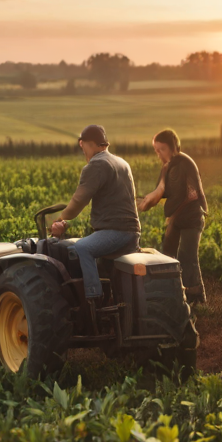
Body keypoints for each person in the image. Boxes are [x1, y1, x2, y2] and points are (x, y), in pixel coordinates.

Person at [51, 125, 141, 309]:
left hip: (116, 232)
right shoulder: (122, 163)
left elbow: (78, 201)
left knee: (82, 248)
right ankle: (114, 301)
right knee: (103, 263)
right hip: (132, 233)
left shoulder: (97, 164)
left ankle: (93, 300)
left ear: (84, 143)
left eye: (82, 147)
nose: (83, 151)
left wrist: (59, 221)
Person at [138, 128, 207, 304]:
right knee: (168, 254)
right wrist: (145, 201)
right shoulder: (167, 167)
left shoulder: (183, 163)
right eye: (156, 150)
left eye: (161, 149)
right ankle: (177, 293)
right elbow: (160, 189)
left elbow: (187, 194)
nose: (158, 154)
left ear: (173, 147)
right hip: (177, 218)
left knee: (187, 256)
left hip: (191, 217)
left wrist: (153, 204)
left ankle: (194, 296)